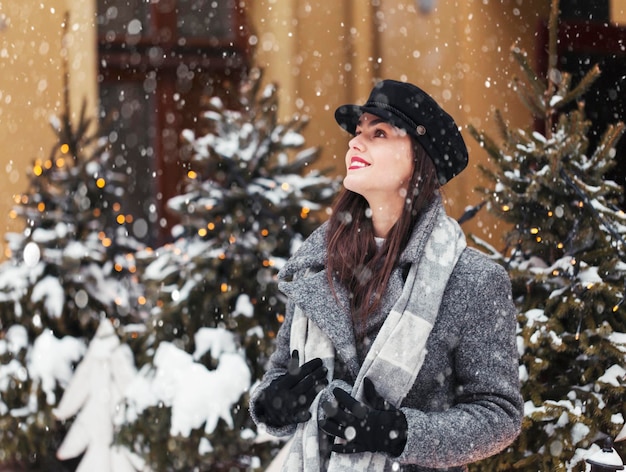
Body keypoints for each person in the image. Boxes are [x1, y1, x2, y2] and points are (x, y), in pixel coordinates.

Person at [249, 79, 523, 472]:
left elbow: (499, 415)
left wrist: (397, 433)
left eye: (378, 133)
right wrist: (273, 405)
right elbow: (280, 372)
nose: (355, 144)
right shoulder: (317, 266)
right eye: (358, 133)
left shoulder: (473, 279)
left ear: (420, 158)